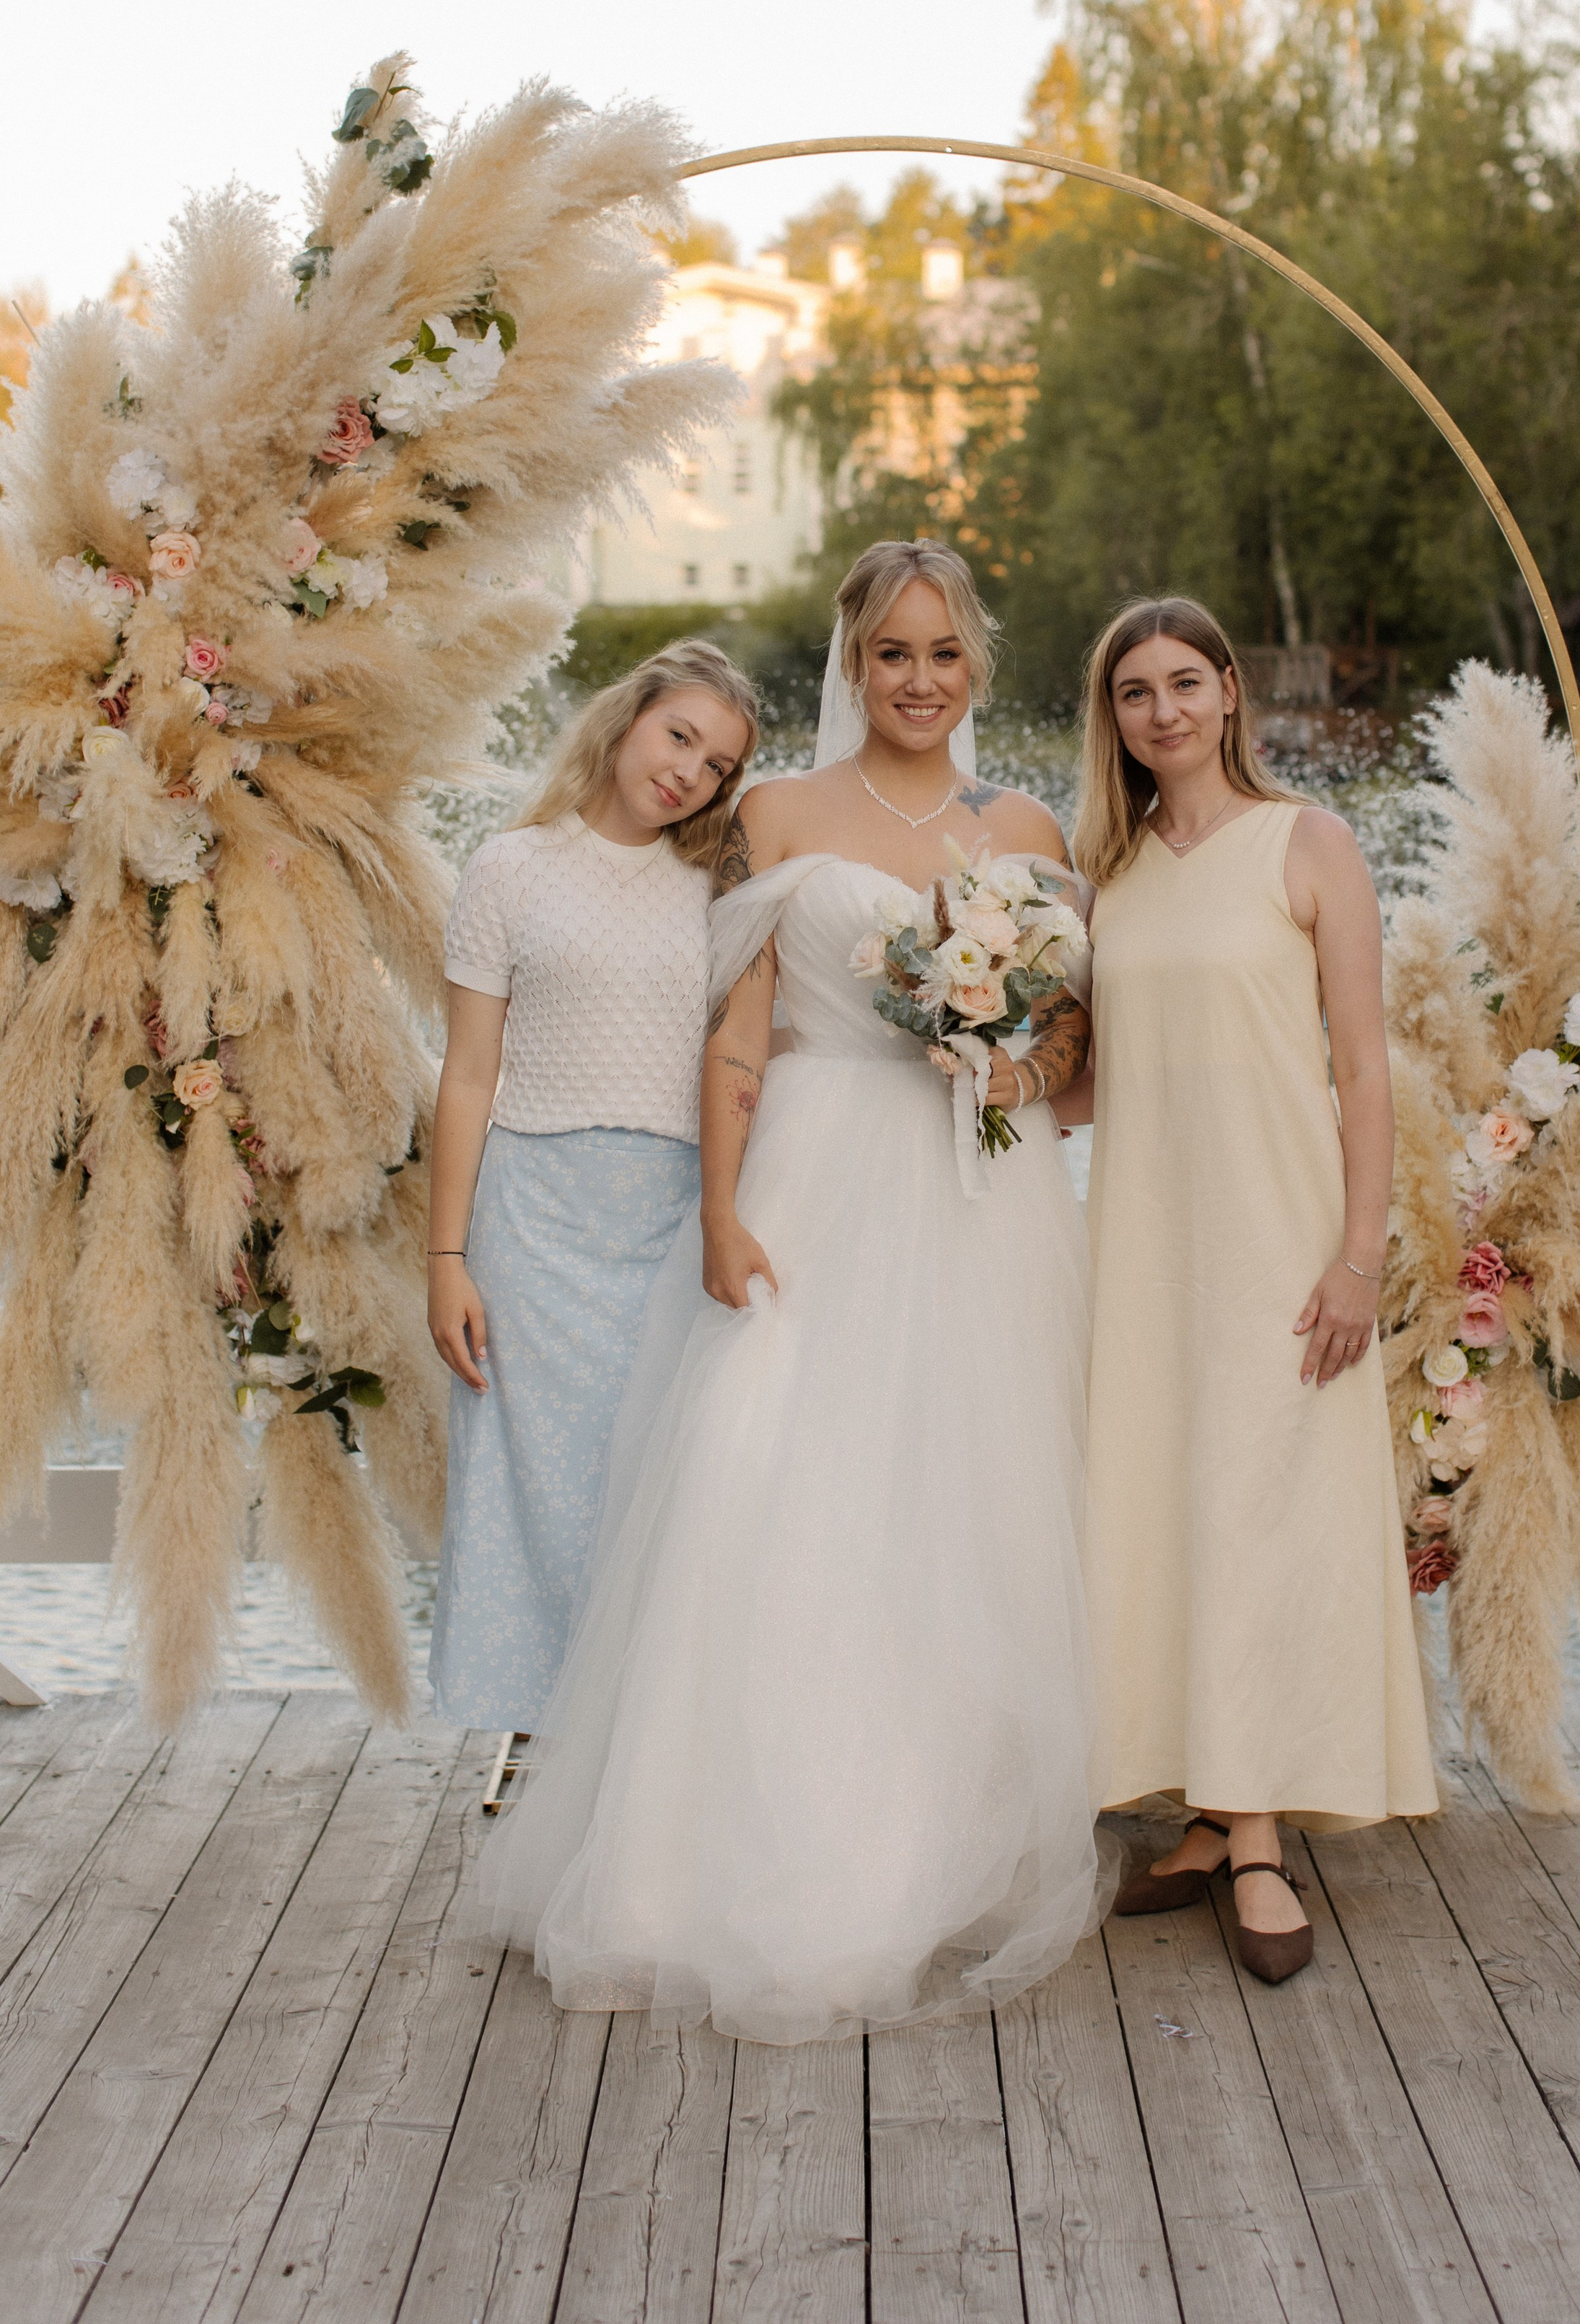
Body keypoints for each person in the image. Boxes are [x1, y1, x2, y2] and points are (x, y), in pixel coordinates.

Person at [480, 539, 1107, 2044]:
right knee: (778, 1484)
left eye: (943, 653)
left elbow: (1079, 1055)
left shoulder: (1026, 823)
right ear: (851, 660)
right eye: (890, 652)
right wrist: (714, 1206)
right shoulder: (773, 812)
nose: (917, 678)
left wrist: (1011, 1057)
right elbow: (739, 1035)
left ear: (976, 665)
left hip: (988, 1184)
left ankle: (949, 1827)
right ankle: (717, 1848)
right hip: (814, 1184)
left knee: (968, 1497)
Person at [1066, 596, 1436, 1983]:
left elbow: (1362, 1066)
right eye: (1132, 693)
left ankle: (1264, 1828)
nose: (1160, 712)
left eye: (1183, 684)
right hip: (1151, 1249)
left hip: (1283, 1244)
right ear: (1114, 719)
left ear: (1229, 694)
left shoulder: (1310, 844)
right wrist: (975, 1086)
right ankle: (1216, 1810)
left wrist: (1358, 1254)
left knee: (1266, 1512)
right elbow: (1115, 1076)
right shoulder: (1115, 875)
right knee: (1175, 1508)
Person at [425, 640, 758, 1732]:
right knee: (545, 1503)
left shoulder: (720, 887)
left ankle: (649, 1755)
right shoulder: (511, 868)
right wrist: (447, 1260)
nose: (689, 774)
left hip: (670, 1219)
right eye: (680, 736)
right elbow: (468, 1076)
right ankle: (548, 1740)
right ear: (628, 717)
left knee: (664, 1493)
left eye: (717, 765)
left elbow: (750, 1056)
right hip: (534, 1221)